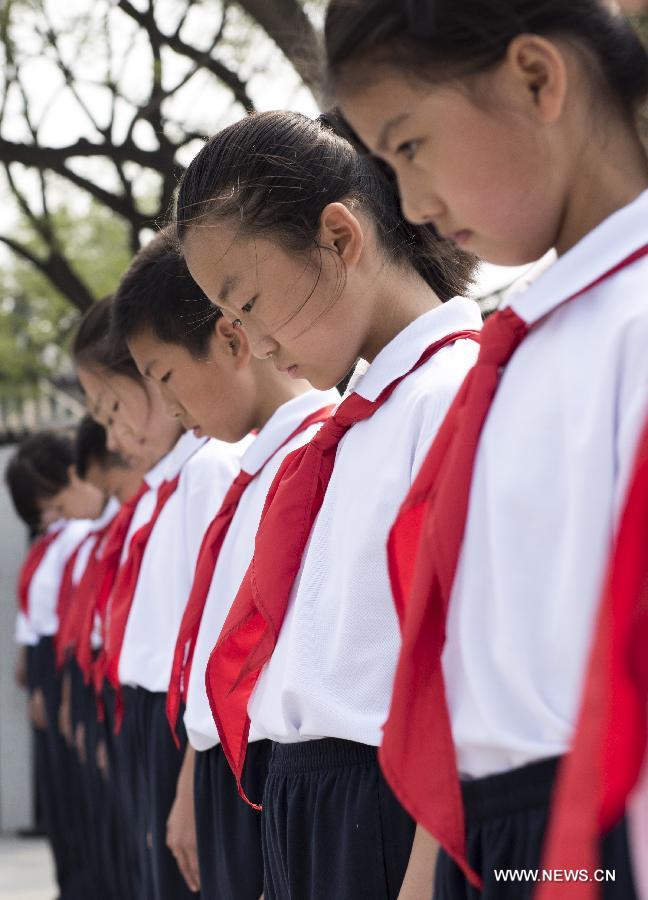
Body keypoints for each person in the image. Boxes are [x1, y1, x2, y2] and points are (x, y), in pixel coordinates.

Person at [324, 1, 648, 896]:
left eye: (410, 146)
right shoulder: (533, 341)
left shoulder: (633, 324)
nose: (415, 205)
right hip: (496, 834)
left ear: (537, 78)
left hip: (595, 828)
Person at [174, 109, 481, 899]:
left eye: (247, 301)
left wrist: (427, 868)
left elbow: (461, 665)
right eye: (231, 318)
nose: (255, 340)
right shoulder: (361, 421)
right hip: (307, 804)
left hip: (382, 811)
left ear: (341, 239)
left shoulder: (450, 396)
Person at [112, 225, 338, 899]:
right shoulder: (250, 463)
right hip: (220, 761)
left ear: (233, 341)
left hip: (267, 773)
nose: (170, 408)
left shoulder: (307, 458)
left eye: (165, 378)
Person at [7, 429, 105, 900]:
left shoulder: (80, 532)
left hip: (72, 658)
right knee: (58, 785)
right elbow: (35, 606)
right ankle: (70, 879)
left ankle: (84, 883)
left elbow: (69, 608)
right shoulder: (52, 540)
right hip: (51, 656)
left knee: (78, 786)